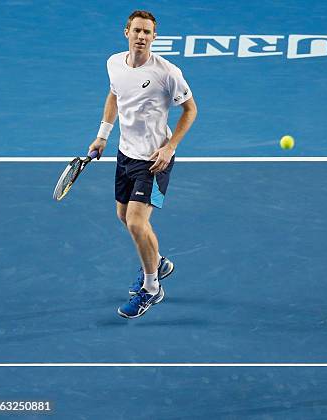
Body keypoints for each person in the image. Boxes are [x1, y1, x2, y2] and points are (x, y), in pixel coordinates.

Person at [88, 10, 198, 319]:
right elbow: (114, 96)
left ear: (154, 37)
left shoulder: (167, 72)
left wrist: (170, 146)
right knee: (123, 216)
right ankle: (158, 262)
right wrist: (102, 136)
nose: (141, 36)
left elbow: (190, 110)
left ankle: (152, 288)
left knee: (137, 221)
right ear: (126, 32)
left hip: (154, 161)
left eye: (147, 32)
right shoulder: (114, 63)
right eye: (137, 30)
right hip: (125, 155)